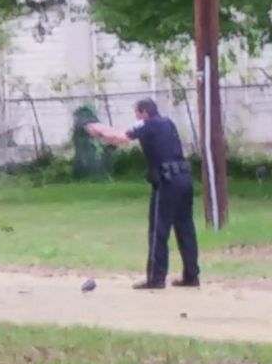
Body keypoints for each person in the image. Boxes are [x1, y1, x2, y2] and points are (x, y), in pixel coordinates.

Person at [86, 98, 201, 290]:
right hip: (184, 178)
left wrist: (99, 129)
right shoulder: (168, 123)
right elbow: (118, 138)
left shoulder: (147, 124)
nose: (136, 117)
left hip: (167, 182)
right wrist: (104, 135)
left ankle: (156, 279)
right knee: (185, 228)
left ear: (143, 112)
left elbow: (121, 137)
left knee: (158, 230)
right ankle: (191, 275)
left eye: (137, 113)